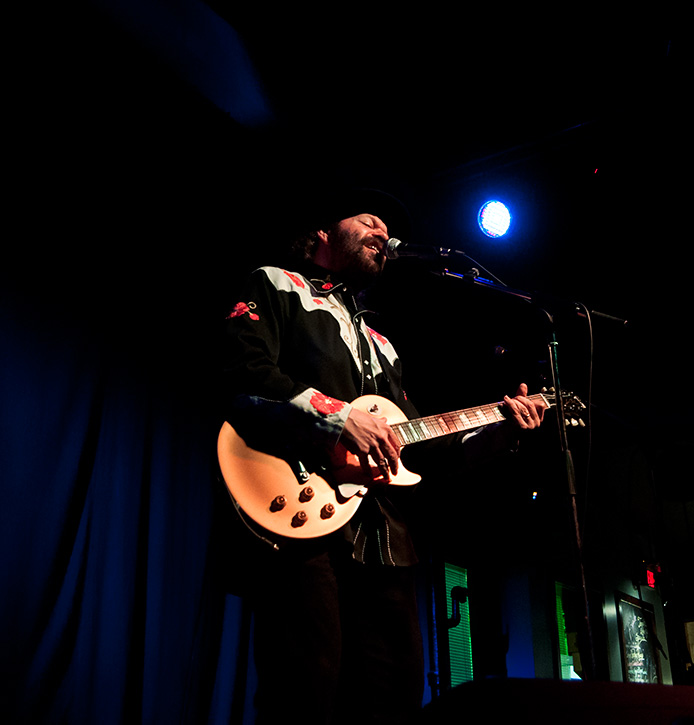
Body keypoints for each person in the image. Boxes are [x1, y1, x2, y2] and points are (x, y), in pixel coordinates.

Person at [218, 188, 545, 724]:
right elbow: (242, 371)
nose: (381, 232)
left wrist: (502, 428)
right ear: (324, 230)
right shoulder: (276, 284)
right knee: (305, 689)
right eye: (368, 219)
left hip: (385, 538)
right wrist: (339, 416)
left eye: (385, 227)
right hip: (302, 516)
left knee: (393, 694)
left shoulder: (380, 341)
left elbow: (424, 447)